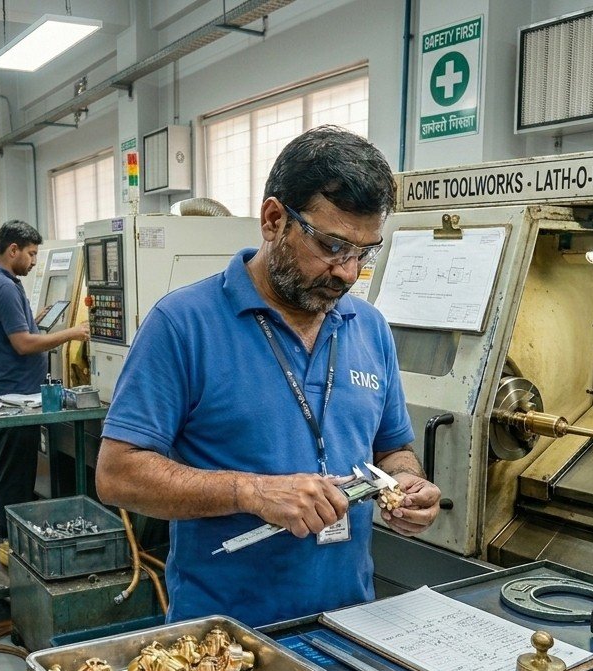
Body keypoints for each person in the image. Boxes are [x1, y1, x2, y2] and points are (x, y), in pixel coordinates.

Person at [95, 126, 443, 628]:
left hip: (350, 627)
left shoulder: (370, 328)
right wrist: (252, 493)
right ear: (274, 219)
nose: (347, 272)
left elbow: (392, 449)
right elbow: (116, 474)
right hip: (225, 638)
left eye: (363, 252)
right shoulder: (183, 323)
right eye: (332, 246)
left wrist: (407, 483)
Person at [0, 221, 90, 532]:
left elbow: (15, 331)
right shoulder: (3, 287)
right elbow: (24, 344)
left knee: (9, 472)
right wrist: (73, 332)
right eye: (31, 253)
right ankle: (11, 544)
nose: (35, 261)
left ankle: (7, 538)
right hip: (15, 397)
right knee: (15, 479)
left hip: (10, 391)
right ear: (13, 250)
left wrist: (32, 318)